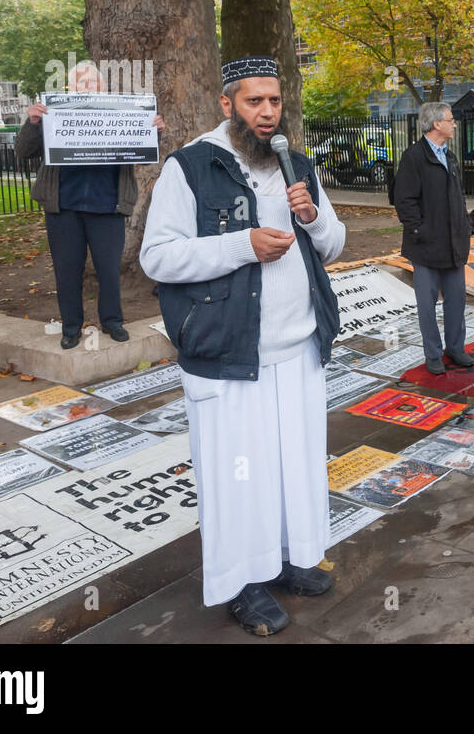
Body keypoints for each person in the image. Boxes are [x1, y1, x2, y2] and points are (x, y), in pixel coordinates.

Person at [140, 55, 346, 634]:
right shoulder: (190, 168)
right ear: (227, 104)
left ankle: (285, 558)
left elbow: (332, 247)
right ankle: (242, 582)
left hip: (299, 350)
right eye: (253, 101)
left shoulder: (293, 162)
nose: (266, 112)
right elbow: (156, 257)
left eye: (274, 101)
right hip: (229, 355)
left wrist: (312, 219)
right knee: (239, 476)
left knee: (292, 467)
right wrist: (241, 244)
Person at [16, 62, 165, 349]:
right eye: (81, 82)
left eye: (93, 82)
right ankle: (71, 327)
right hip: (63, 207)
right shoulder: (52, 115)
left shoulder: (123, 115)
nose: (87, 86)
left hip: (107, 206)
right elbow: (23, 151)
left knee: (108, 270)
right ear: (69, 88)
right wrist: (32, 122)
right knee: (67, 269)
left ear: (103, 89)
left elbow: (145, 156)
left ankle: (112, 321)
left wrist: (152, 132)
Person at [393, 102, 474, 375]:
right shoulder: (414, 156)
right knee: (426, 304)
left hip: (454, 242)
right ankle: (433, 353)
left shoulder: (449, 157)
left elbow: (458, 195)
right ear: (436, 124)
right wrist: (419, 231)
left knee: (456, 299)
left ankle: (455, 347)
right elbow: (404, 200)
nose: (454, 124)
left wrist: (466, 224)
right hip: (425, 246)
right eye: (450, 120)